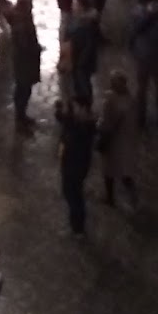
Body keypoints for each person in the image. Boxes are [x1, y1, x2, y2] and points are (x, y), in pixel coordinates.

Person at [55, 87, 97, 234]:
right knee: (70, 193)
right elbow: (65, 120)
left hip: (75, 167)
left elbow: (70, 130)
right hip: (70, 165)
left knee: (74, 196)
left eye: (75, 107)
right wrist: (59, 109)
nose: (72, 109)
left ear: (83, 108)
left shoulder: (84, 127)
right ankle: (76, 224)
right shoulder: (77, 121)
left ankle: (78, 227)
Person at [127, 0, 158, 129]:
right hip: (145, 56)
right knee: (143, 89)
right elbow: (135, 30)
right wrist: (151, 15)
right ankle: (141, 118)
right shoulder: (139, 15)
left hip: (155, 56)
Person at [0, 0, 42, 129]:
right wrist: (35, 49)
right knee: (23, 88)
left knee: (22, 88)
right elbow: (25, 45)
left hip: (22, 59)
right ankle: (20, 117)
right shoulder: (22, 23)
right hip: (25, 61)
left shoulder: (20, 19)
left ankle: (21, 115)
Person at [96, 71, 137, 205]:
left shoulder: (110, 100)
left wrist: (99, 128)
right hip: (128, 139)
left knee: (109, 170)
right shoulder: (130, 99)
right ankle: (131, 193)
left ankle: (110, 197)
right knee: (125, 168)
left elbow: (106, 123)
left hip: (114, 140)